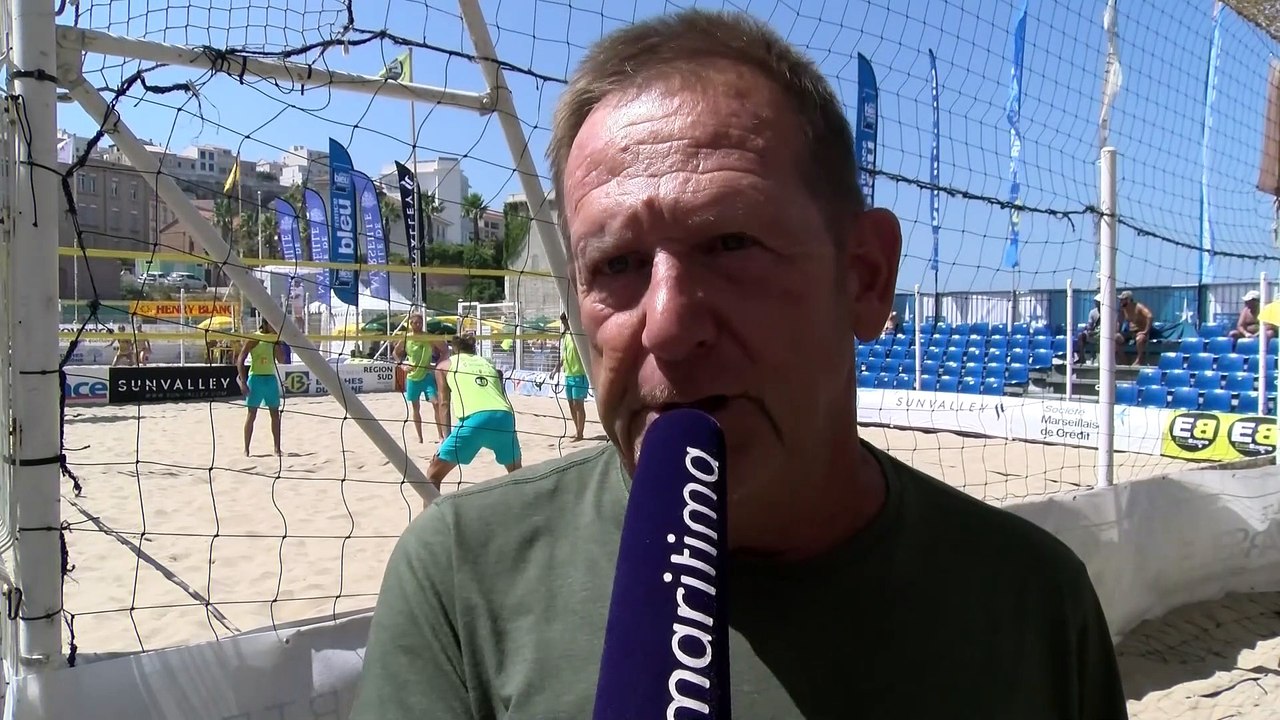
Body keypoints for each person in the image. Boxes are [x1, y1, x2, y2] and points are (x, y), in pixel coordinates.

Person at [352, 10, 1126, 719]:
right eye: (617, 264)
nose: (667, 322)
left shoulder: (1034, 604)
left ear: (863, 277)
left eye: (729, 245)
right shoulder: (463, 578)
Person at [425, 334, 521, 489]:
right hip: (504, 416)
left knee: (432, 476)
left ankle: (432, 513)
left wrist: (445, 439)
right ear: (474, 349)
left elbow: (444, 404)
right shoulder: (488, 363)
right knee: (517, 476)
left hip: (475, 420)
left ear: (454, 350)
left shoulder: (444, 365)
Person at [394, 313, 450, 444]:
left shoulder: (428, 337)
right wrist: (402, 365)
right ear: (411, 324)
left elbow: (445, 350)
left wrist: (438, 365)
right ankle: (420, 438)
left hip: (426, 376)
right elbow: (395, 353)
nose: (418, 325)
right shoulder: (407, 338)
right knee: (415, 408)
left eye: (420, 323)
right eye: (415, 323)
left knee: (436, 403)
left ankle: (441, 436)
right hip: (413, 377)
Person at [236, 319, 285, 456]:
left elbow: (281, 360)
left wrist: (277, 344)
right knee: (252, 414)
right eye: (272, 324)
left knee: (275, 414)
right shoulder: (255, 337)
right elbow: (241, 358)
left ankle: (277, 449)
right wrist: (243, 381)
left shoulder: (274, 339)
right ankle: (246, 449)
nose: (274, 326)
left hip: (270, 378)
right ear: (265, 324)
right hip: (256, 378)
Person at [551, 311, 589, 441]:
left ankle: (580, 433)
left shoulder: (580, 334)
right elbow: (564, 355)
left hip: (580, 374)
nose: (564, 324)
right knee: (570, 404)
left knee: (578, 404)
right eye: (563, 322)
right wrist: (556, 368)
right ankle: (576, 430)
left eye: (565, 321)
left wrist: (573, 326)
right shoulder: (566, 335)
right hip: (568, 374)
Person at [1073, 293, 1116, 365]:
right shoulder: (1093, 312)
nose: (1096, 304)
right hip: (1095, 333)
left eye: (1098, 302)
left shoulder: (1110, 312)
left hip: (1106, 334)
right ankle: (1082, 358)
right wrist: (1089, 330)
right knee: (1081, 336)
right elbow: (1090, 325)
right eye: (1096, 302)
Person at [1119, 290, 1154, 366]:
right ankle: (1123, 361)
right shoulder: (1123, 309)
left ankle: (1139, 359)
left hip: (1141, 331)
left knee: (1140, 339)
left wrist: (1146, 331)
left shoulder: (1139, 307)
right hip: (1130, 332)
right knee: (1115, 338)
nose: (1120, 301)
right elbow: (1120, 321)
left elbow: (1150, 316)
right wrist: (1118, 331)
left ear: (1128, 299)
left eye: (1122, 299)